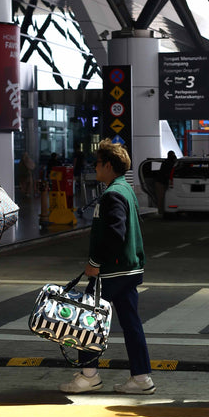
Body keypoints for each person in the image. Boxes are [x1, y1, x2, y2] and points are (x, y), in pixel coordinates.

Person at [59, 138, 154, 395]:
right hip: (129, 269)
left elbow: (115, 234)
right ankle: (142, 378)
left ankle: (88, 375)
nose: (95, 167)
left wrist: (94, 263)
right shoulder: (125, 189)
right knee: (131, 324)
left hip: (111, 271)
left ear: (109, 165)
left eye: (97, 163)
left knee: (86, 319)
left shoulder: (112, 194)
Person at [154, 150, 177, 215]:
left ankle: (161, 212)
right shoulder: (172, 163)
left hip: (160, 182)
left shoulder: (165, 162)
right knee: (163, 198)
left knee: (161, 199)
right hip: (163, 182)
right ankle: (164, 211)